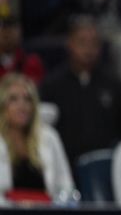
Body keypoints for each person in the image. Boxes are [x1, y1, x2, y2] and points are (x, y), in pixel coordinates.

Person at [39, 16, 121, 176]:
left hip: (107, 169)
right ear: (70, 44)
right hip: (63, 167)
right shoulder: (51, 85)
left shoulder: (115, 85)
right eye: (82, 42)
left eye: (94, 43)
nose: (88, 49)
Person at [0, 73, 74, 201]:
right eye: (13, 99)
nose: (22, 106)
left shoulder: (50, 137)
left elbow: (66, 186)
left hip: (46, 214)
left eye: (27, 99)